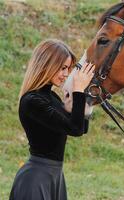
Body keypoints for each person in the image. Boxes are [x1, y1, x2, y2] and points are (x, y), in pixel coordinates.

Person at [9, 39, 95, 200]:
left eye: (68, 69)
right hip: (36, 179)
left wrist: (87, 98)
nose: (66, 74)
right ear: (46, 64)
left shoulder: (51, 97)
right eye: (62, 68)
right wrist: (78, 90)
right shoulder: (32, 101)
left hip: (54, 176)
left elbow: (82, 128)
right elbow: (75, 129)